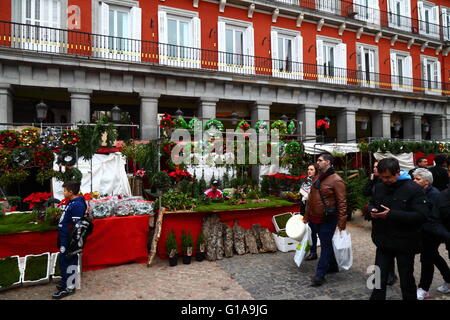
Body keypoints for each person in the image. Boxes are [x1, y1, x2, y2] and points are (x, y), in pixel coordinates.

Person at [368, 158, 428, 300]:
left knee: (406, 279)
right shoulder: (380, 186)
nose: (384, 180)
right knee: (378, 276)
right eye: (381, 177)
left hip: (404, 242)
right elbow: (371, 202)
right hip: (383, 240)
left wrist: (391, 214)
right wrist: (371, 210)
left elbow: (421, 216)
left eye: (387, 177)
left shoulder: (414, 189)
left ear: (397, 173)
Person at [303, 153, 347, 287]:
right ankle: (333, 265)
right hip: (314, 218)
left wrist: (342, 222)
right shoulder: (317, 178)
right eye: (317, 160)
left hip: (327, 219)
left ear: (328, 162)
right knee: (326, 243)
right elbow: (311, 198)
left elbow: (342, 203)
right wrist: (306, 216)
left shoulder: (336, 180)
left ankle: (320, 274)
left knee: (325, 245)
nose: (318, 162)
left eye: (320, 160)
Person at [362, 160, 399, 286]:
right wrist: (372, 179)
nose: (375, 169)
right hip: (377, 220)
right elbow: (366, 193)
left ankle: (390, 275)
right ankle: (381, 275)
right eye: (374, 167)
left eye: (377, 167)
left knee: (388, 250)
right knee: (381, 250)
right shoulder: (376, 181)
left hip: (389, 221)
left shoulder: (390, 182)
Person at [416, 167, 450, 300]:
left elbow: (434, 218)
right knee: (433, 256)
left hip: (432, 233)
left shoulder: (436, 194)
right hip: (425, 231)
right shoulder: (417, 192)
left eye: (417, 179)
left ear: (426, 182)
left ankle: (423, 288)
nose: (414, 181)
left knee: (426, 258)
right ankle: (448, 279)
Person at [53, 181, 87, 299]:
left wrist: (73, 243)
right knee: (64, 260)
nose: (63, 192)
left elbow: (77, 227)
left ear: (71, 192)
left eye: (65, 190)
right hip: (64, 236)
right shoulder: (72, 202)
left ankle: (70, 287)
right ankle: (65, 281)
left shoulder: (77, 205)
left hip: (69, 238)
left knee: (70, 260)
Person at [299, 163, 320, 261]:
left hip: (316, 212)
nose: (309, 171)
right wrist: (302, 213)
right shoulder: (305, 182)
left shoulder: (319, 182)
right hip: (307, 212)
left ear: (316, 171)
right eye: (308, 169)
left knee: (319, 233)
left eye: (311, 169)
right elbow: (302, 199)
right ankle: (313, 252)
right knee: (311, 233)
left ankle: (326, 255)